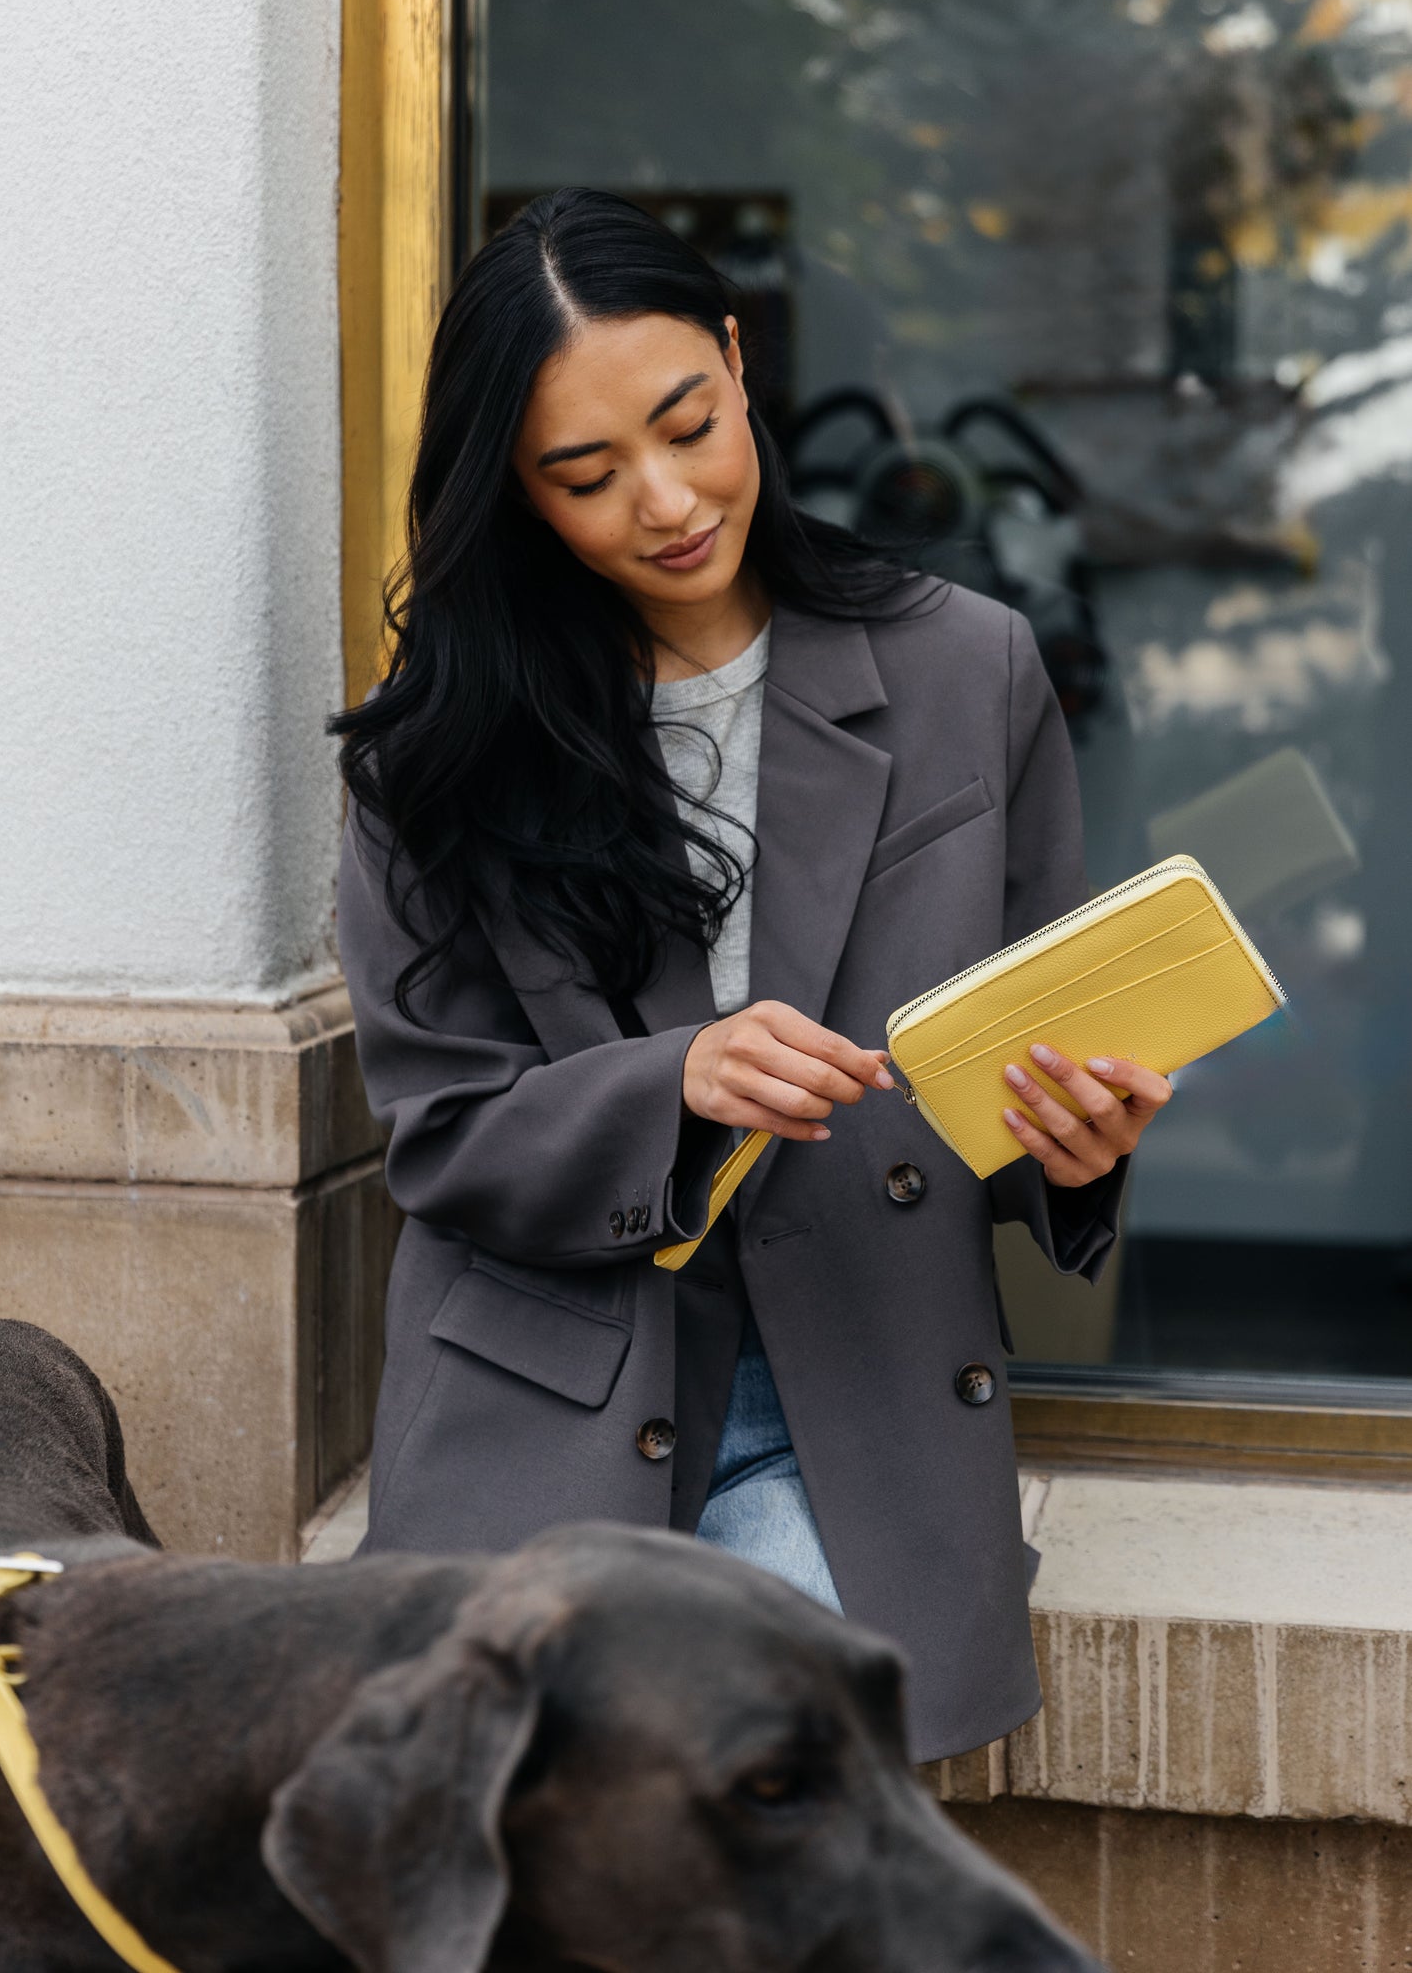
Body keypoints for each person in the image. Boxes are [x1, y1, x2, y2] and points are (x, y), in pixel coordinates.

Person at [332, 188, 1171, 1762]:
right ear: (514, 494)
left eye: (688, 424)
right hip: (546, 1416)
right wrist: (677, 1086)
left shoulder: (963, 666)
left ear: (735, 358)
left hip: (855, 1399)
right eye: (585, 475)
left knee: (773, 1845)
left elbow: (1037, 1046)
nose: (663, 500)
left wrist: (1075, 1144)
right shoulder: (438, 745)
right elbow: (438, 1133)